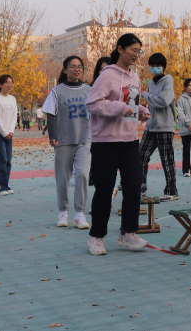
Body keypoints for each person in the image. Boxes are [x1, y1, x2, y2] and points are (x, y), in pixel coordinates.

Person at [85, 33, 151, 256]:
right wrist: (121, 108)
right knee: (104, 189)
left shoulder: (135, 78)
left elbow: (130, 107)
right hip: (106, 142)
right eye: (133, 50)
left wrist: (140, 112)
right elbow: (93, 103)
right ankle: (96, 237)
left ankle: (128, 233)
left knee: (134, 185)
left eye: (139, 51)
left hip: (130, 140)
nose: (136, 54)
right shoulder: (107, 76)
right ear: (120, 49)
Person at [43, 55, 92, 229]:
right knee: (62, 178)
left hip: (84, 139)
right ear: (65, 69)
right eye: (72, 66)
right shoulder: (57, 91)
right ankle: (63, 211)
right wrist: (52, 135)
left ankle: (79, 213)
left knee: (83, 174)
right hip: (63, 140)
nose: (76, 69)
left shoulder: (89, 90)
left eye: (79, 66)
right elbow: (50, 114)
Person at [139, 53, 178, 201]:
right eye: (152, 66)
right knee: (141, 155)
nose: (155, 68)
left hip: (165, 127)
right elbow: (154, 102)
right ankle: (141, 187)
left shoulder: (168, 81)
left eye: (158, 66)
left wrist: (146, 95)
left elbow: (163, 101)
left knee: (166, 159)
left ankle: (171, 190)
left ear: (163, 67)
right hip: (151, 126)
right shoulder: (150, 83)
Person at [0, 75, 18, 196]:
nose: (9, 85)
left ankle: (2, 185)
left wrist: (11, 131)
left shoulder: (12, 99)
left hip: (8, 134)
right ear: (0, 84)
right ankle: (1, 187)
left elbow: (14, 116)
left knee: (7, 161)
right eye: (7, 83)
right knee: (1, 160)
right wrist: (5, 132)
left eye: (11, 83)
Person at [87, 56, 111, 188]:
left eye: (107, 68)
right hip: (95, 129)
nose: (104, 72)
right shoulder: (92, 87)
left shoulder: (116, 87)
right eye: (102, 69)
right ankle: (91, 175)